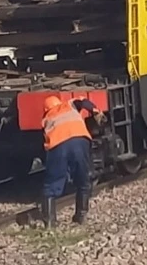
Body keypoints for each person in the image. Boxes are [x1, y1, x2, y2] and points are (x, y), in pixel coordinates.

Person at [40, 95, 105, 227]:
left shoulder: (46, 119)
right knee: (83, 178)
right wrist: (95, 111)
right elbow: (84, 102)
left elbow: (46, 142)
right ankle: (81, 216)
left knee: (52, 182)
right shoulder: (70, 104)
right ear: (59, 103)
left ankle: (50, 223)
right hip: (80, 140)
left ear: (46, 109)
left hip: (58, 145)